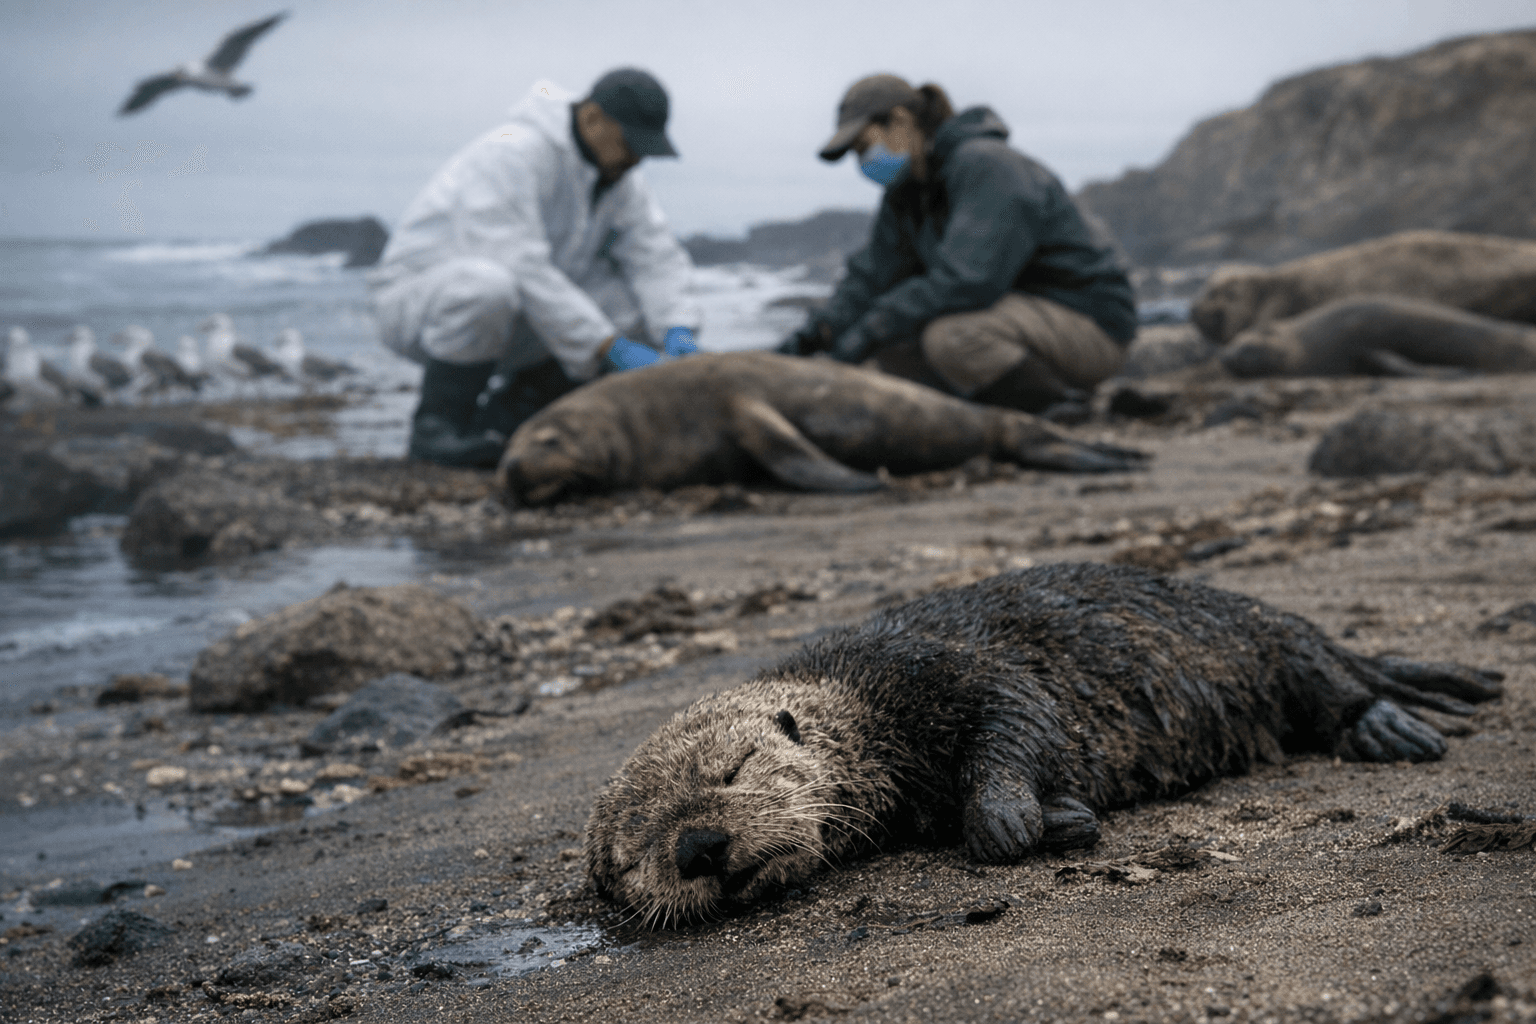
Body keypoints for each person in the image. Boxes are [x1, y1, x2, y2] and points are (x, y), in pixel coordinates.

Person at [369, 68, 702, 467]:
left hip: (517, 308)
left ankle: (509, 414)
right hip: (425, 303)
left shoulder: (618, 178)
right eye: (629, 143)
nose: (636, 158)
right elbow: (518, 263)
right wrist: (607, 347)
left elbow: (654, 255)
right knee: (487, 286)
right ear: (592, 118)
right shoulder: (510, 153)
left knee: (629, 307)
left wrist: (677, 328)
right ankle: (438, 428)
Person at [779, 75, 1136, 417]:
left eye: (865, 147)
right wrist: (814, 336)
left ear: (900, 120)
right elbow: (871, 277)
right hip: (1016, 319)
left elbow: (968, 280)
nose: (864, 163)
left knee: (953, 338)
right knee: (891, 360)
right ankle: (1014, 398)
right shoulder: (905, 195)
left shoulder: (987, 166)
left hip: (1091, 323)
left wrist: (872, 328)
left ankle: (1058, 405)